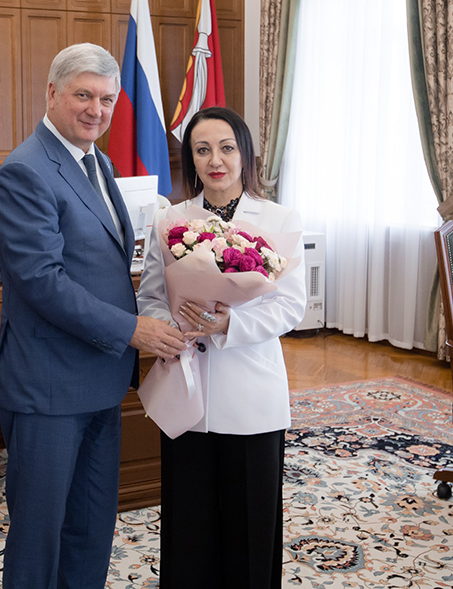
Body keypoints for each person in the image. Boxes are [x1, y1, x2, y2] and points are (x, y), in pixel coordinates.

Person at [0, 42, 186, 589]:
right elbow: (42, 283)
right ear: (52, 93)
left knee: (91, 527)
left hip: (100, 379)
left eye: (107, 99)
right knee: (40, 536)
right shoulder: (25, 171)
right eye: (83, 95)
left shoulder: (99, 162)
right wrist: (133, 329)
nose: (96, 110)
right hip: (48, 386)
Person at [137, 106, 307, 589]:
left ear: (244, 153)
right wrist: (166, 328)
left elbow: (290, 306)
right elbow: (151, 296)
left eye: (226, 148)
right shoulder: (170, 219)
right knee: (189, 525)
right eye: (203, 149)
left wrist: (231, 323)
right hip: (186, 388)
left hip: (250, 393)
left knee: (250, 526)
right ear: (191, 159)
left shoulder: (279, 219)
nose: (216, 160)